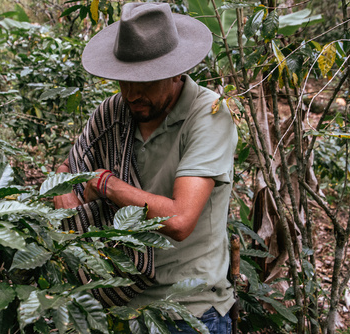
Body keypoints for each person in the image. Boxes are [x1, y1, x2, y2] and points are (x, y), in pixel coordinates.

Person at [54, 3, 237, 333]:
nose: (132, 93)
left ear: (175, 72)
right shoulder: (113, 111)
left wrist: (107, 184)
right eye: (124, 81)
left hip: (188, 310)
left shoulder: (209, 116)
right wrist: (63, 187)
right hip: (117, 300)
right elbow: (69, 166)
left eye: (145, 82)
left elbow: (180, 220)